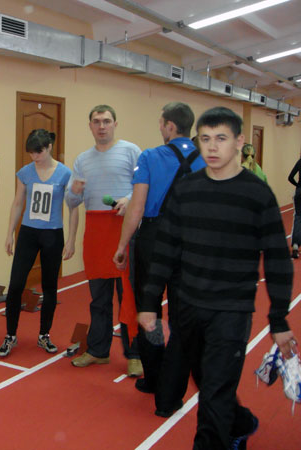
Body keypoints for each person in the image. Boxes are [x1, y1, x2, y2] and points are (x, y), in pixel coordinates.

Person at [140, 106, 295, 449]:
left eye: (221, 138)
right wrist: (150, 302)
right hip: (189, 306)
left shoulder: (257, 194)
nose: (212, 147)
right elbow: (166, 249)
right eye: (206, 139)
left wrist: (279, 319)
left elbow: (277, 259)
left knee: (214, 393)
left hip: (231, 310)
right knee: (208, 383)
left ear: (239, 141)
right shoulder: (186, 189)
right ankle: (240, 423)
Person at [113, 102, 204, 417]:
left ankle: (152, 379)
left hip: (154, 239)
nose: (160, 127)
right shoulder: (207, 158)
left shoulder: (150, 157)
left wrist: (122, 245)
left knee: (148, 312)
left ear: (169, 126)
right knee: (181, 319)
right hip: (190, 242)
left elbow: (136, 207)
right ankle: (169, 397)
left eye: (161, 123)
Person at [66, 105, 143, 376]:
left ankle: (135, 354)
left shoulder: (131, 151)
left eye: (107, 121)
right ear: (90, 126)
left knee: (128, 297)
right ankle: (98, 351)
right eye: (97, 121)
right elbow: (71, 202)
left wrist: (129, 199)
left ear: (115, 124)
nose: (102, 126)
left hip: (125, 231)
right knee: (99, 298)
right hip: (96, 233)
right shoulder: (82, 160)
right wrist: (74, 192)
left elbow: (144, 187)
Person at [0, 129, 77, 357]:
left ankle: (44, 335)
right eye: (31, 153)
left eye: (39, 152)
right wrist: (10, 233)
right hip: (29, 234)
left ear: (49, 147)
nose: (35, 157)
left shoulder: (64, 174)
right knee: (15, 285)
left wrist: (71, 239)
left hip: (53, 234)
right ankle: (10, 335)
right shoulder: (25, 172)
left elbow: (73, 208)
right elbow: (17, 203)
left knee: (50, 287)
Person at [287, 156, 301, 258]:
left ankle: (295, 246)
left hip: (299, 192)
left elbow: (290, 177)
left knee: (298, 217)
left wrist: (298, 185)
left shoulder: (300, 161)